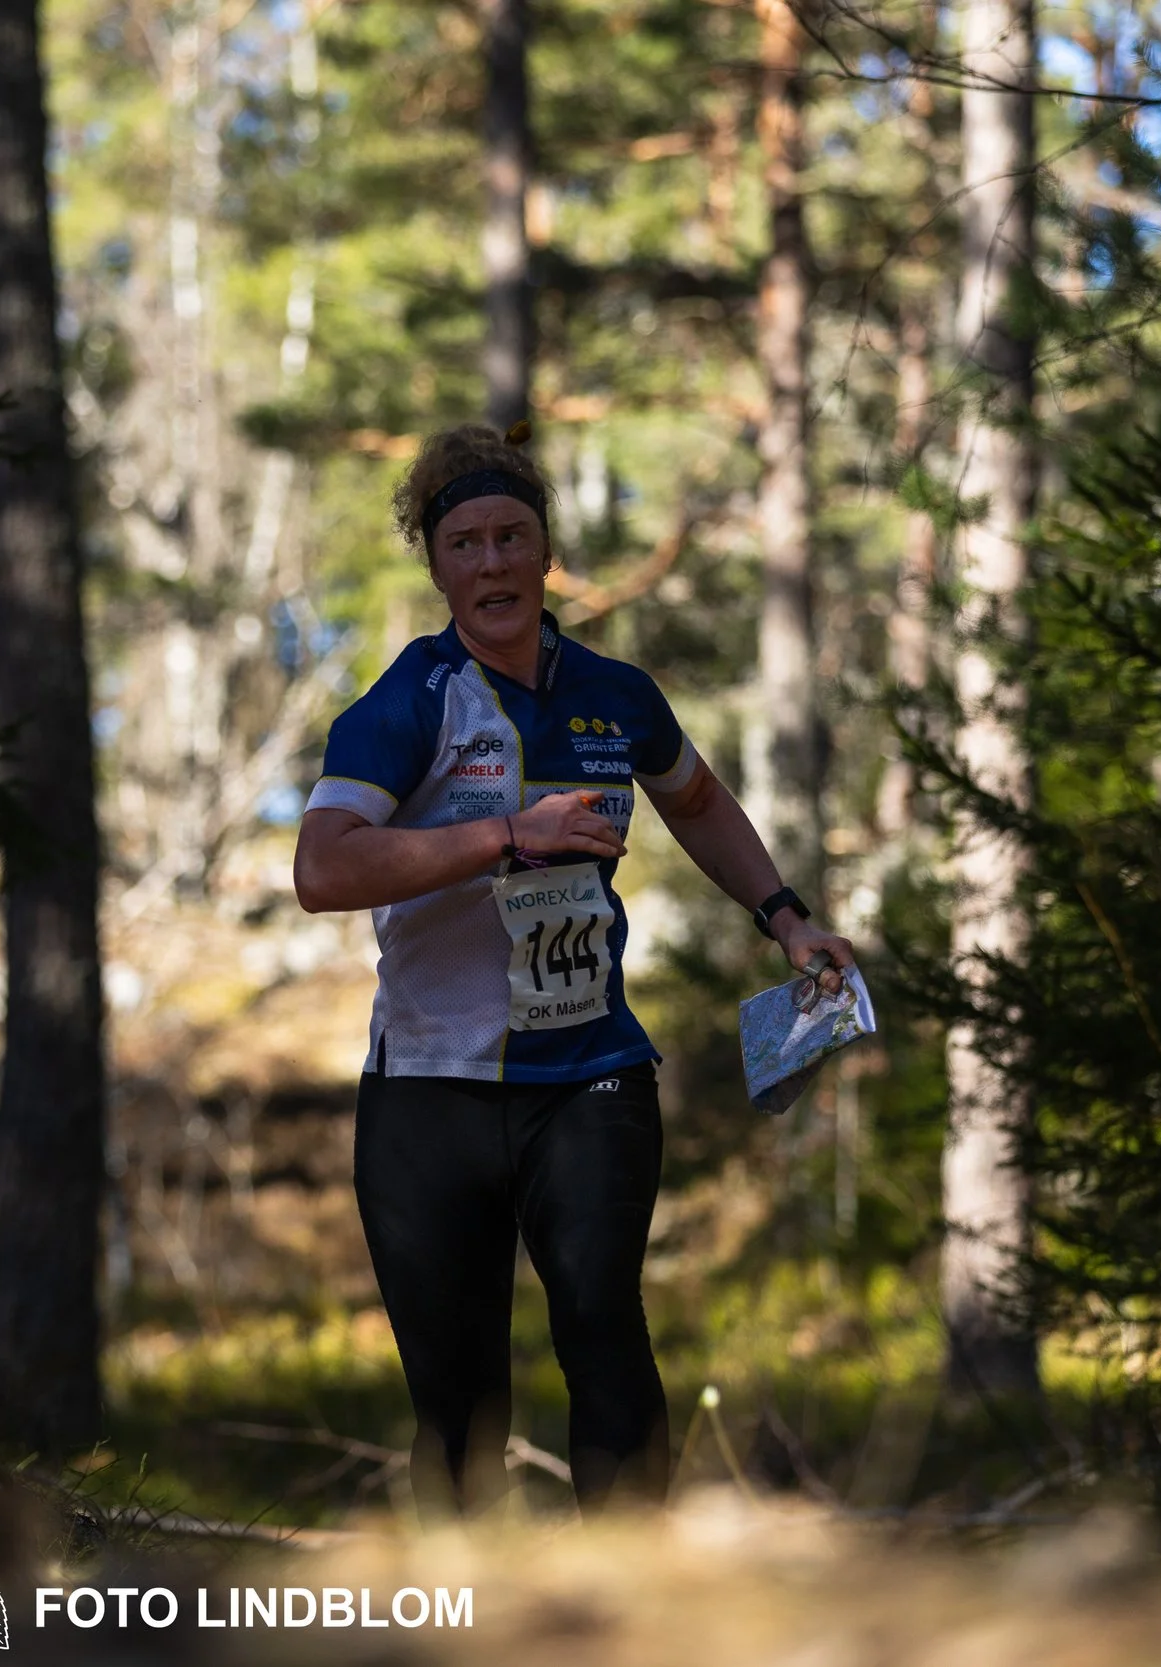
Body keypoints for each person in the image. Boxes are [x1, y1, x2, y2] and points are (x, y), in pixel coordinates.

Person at [292, 422, 856, 1514]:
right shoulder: (410, 701)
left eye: (512, 536)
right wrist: (509, 833)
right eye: (465, 543)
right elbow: (323, 868)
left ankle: (630, 1582)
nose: (492, 562)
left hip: (590, 1073)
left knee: (601, 1319)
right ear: (436, 566)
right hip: (430, 1089)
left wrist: (785, 918)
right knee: (459, 1397)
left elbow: (697, 800)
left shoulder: (616, 694)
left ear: (547, 551)